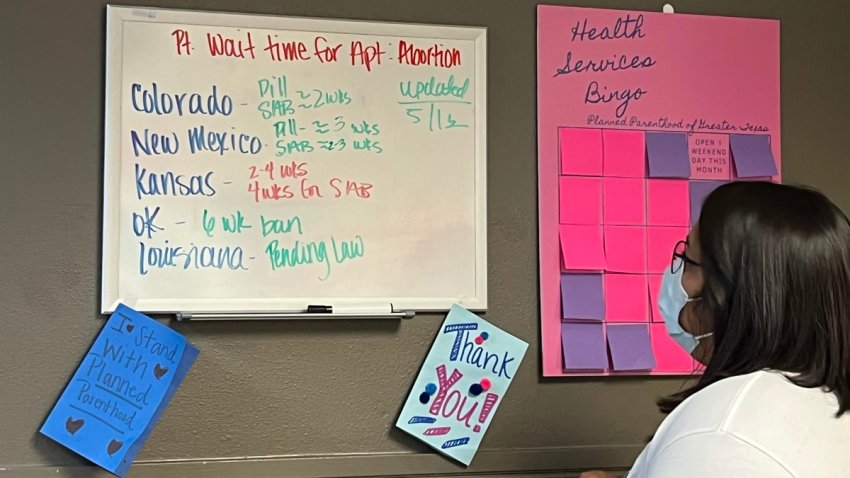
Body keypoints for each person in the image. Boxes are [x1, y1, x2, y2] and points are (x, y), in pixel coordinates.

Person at [582, 181, 850, 477]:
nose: (674, 275)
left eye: (687, 260)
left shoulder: (722, 435)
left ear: (735, 294)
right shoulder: (823, 402)